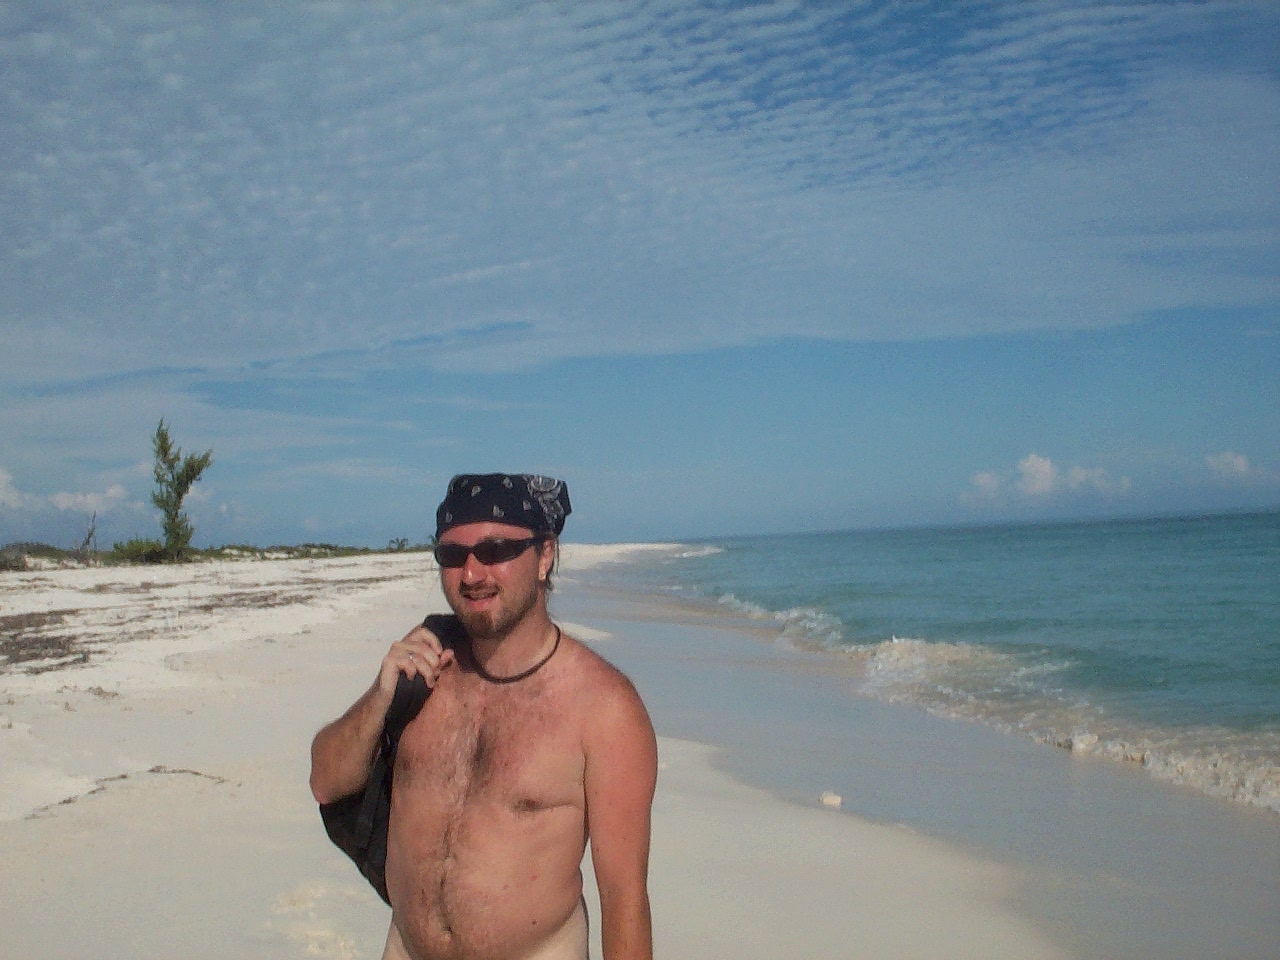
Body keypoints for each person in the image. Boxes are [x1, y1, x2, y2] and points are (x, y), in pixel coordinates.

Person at [310, 474, 657, 960]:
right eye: (452, 555)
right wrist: (379, 696)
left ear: (545, 556)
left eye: (495, 551)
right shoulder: (424, 670)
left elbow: (624, 901)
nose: (471, 574)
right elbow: (325, 782)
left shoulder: (604, 708)